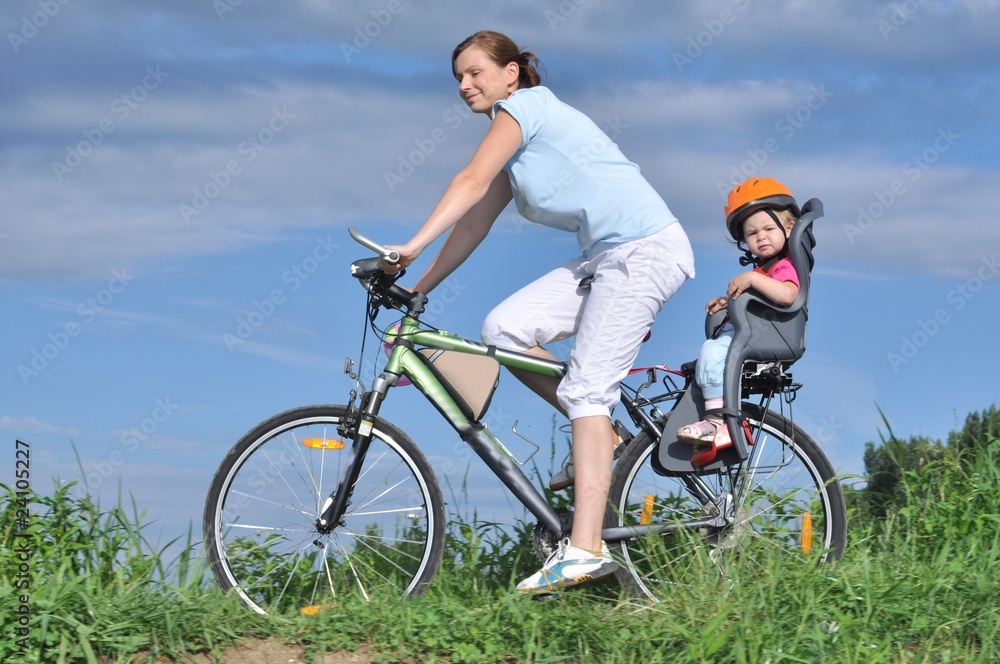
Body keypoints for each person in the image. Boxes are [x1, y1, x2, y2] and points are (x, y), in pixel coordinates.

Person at [381, 30, 695, 593]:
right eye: (458, 76)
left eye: (476, 71)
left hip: (644, 251)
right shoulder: (516, 146)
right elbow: (474, 217)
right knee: (503, 328)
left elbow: (469, 181)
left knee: (586, 392)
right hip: (605, 257)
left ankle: (585, 549)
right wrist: (419, 288)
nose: (464, 84)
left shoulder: (525, 109)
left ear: (512, 74)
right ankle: (614, 441)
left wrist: (410, 245)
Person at [677, 177, 801, 448]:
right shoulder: (764, 270)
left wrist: (753, 280)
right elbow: (758, 300)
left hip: (763, 336)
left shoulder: (783, 267)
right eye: (752, 233)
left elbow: (788, 294)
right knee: (704, 362)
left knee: (711, 354)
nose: (761, 237)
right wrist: (728, 302)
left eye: (769, 228)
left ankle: (718, 421)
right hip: (751, 332)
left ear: (789, 228)